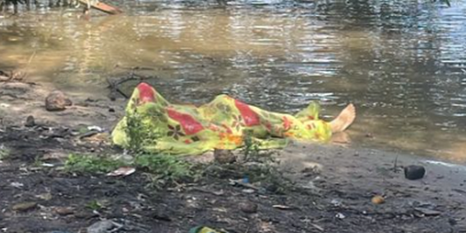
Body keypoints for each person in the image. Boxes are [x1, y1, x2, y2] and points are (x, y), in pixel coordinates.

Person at [111, 82, 356, 155]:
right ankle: (323, 128)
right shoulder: (146, 133)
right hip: (216, 125)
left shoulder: (130, 130)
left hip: (208, 116)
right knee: (247, 117)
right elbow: (194, 131)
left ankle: (301, 124)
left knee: (226, 104)